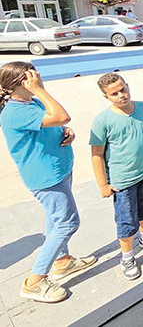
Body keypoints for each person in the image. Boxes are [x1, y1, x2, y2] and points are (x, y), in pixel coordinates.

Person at [0, 63, 96, 303]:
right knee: (67, 222)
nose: (39, 78)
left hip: (58, 169)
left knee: (54, 218)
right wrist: (41, 90)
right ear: (23, 83)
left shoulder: (30, 102)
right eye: (33, 76)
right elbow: (62, 114)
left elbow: (57, 121)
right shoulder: (15, 111)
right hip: (45, 178)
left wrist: (66, 131)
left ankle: (62, 261)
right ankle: (35, 281)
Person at [90, 73, 143, 281]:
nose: (121, 95)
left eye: (123, 89)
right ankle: (127, 256)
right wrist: (103, 184)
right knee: (126, 220)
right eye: (114, 93)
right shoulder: (103, 121)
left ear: (128, 86)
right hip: (121, 181)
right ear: (106, 97)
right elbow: (96, 154)